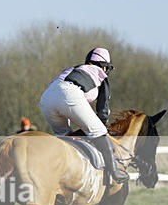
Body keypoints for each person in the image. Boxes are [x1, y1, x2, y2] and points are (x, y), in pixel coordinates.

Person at [38, 47, 128, 183]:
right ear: (104, 67)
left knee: (65, 137)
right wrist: (101, 130)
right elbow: (103, 110)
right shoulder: (101, 76)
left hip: (46, 98)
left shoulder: (73, 69)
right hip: (69, 93)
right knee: (99, 131)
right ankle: (114, 171)